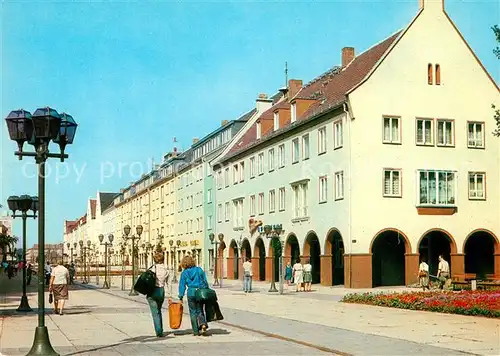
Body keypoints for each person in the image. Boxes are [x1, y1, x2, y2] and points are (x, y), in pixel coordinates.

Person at [178, 255, 209, 336]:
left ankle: (195, 331)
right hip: (199, 292)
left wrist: (180, 296)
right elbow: (205, 281)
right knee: (200, 310)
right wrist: (206, 289)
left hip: (190, 292)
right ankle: (203, 324)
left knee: (192, 312)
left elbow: (182, 285)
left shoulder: (184, 273)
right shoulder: (199, 270)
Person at [147, 251, 172, 337]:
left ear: (155, 259)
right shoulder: (166, 270)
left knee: (155, 312)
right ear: (163, 259)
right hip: (161, 291)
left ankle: (159, 331)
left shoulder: (152, 268)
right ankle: (160, 329)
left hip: (152, 291)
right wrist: (169, 295)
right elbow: (169, 283)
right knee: (159, 310)